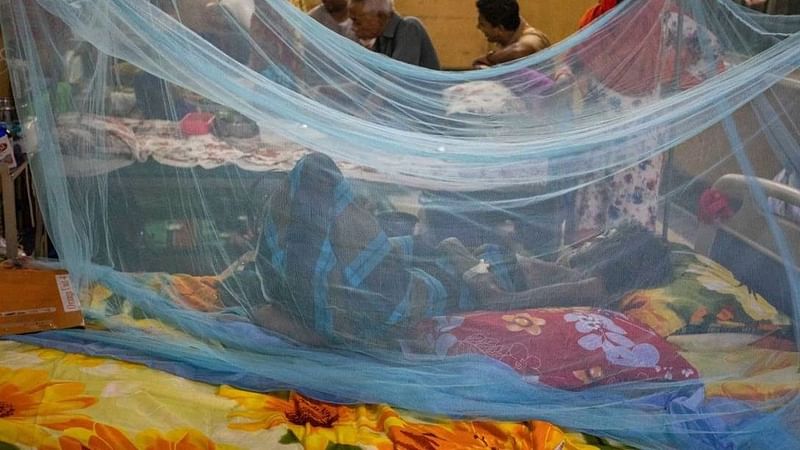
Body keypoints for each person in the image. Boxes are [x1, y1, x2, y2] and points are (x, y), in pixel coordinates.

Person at [245, 153, 671, 348]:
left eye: (602, 241)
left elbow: (497, 299)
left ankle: (315, 313)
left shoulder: (586, 286)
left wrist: (469, 262)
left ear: (614, 258)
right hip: (404, 279)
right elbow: (450, 251)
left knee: (316, 174)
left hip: (404, 294)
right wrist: (455, 250)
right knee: (306, 188)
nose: (589, 240)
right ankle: (307, 307)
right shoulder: (553, 266)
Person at [348, 0, 440, 69]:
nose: (353, 27)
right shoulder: (381, 39)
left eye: (357, 22)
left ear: (381, 17)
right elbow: (368, 81)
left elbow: (397, 79)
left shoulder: (409, 28)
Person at [472, 0, 551, 69]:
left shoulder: (533, 37)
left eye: (482, 24)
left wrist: (488, 59)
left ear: (500, 28)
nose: (478, 27)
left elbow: (521, 49)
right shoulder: (502, 38)